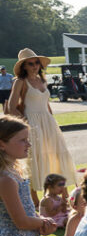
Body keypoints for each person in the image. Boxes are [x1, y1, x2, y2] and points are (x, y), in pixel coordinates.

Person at [8, 49, 78, 198]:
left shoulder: (42, 80)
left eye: (37, 62)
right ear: (24, 66)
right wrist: (25, 125)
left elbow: (46, 104)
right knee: (34, 157)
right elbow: (11, 107)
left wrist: (52, 120)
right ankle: (34, 200)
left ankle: (64, 197)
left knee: (57, 155)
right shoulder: (20, 82)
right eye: (30, 63)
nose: (35, 66)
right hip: (31, 122)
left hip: (48, 122)